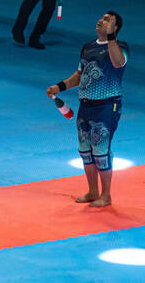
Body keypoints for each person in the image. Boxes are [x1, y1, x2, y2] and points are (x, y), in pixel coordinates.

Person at [46, 12, 128, 207]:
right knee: (85, 151)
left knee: (101, 150)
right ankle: (93, 191)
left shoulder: (121, 47)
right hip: (86, 105)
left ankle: (106, 195)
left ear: (115, 28)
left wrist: (110, 37)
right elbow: (80, 74)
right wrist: (60, 86)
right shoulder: (87, 47)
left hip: (108, 105)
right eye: (102, 18)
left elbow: (118, 62)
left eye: (108, 20)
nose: (101, 20)